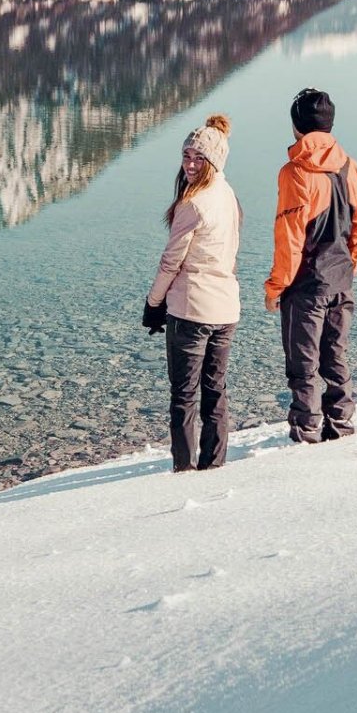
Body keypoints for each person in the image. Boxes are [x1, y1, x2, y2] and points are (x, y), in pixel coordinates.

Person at [264, 88, 357, 443]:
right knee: (335, 356)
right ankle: (341, 424)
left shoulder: (294, 173)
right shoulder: (351, 166)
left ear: (297, 125)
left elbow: (290, 238)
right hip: (341, 280)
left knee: (303, 365)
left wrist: (275, 287)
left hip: (306, 285)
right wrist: (348, 268)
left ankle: (306, 431)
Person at [143, 114, 242, 472]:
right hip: (226, 310)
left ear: (213, 162)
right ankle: (214, 464)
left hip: (191, 312)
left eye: (199, 158)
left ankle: (184, 470)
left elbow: (170, 263)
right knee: (215, 390)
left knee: (184, 395)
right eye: (186, 155)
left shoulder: (192, 204)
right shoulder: (227, 195)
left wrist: (153, 304)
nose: (190, 164)